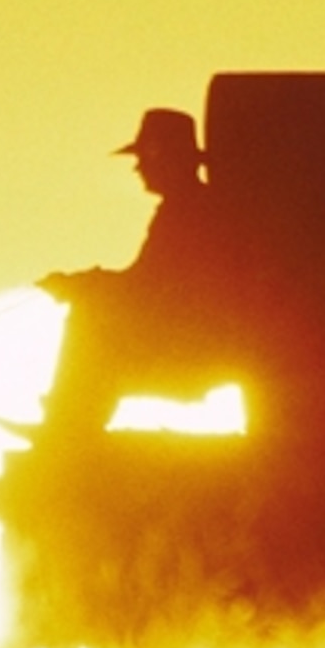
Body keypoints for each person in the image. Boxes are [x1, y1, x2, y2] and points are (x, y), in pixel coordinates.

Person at [37, 107, 225, 435]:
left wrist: (85, 285)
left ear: (166, 159)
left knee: (91, 317)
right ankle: (69, 417)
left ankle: (70, 421)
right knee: (93, 308)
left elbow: (148, 287)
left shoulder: (187, 213)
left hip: (188, 342)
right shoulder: (190, 208)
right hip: (193, 334)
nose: (139, 167)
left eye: (146, 156)